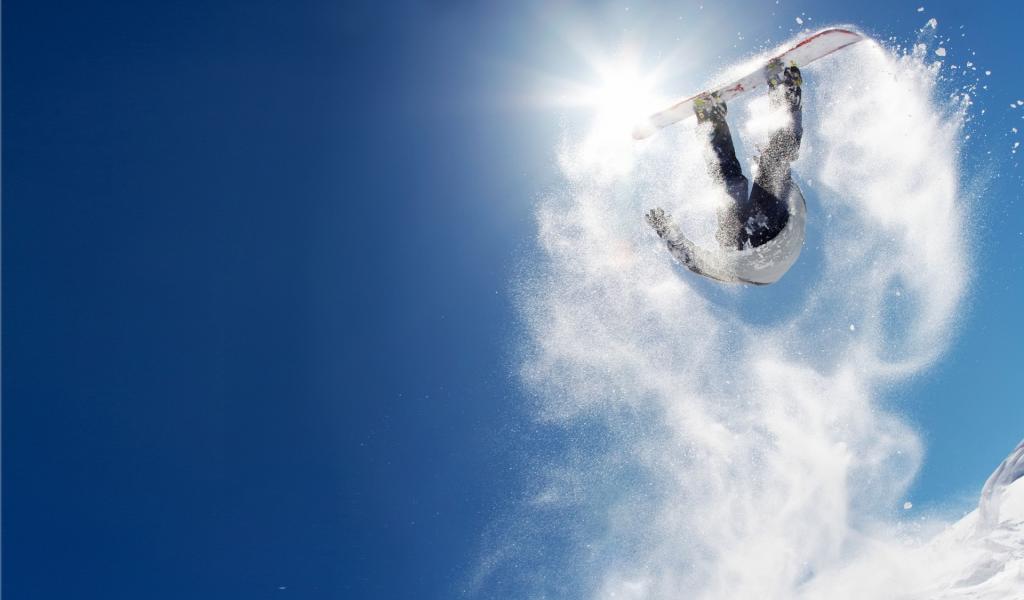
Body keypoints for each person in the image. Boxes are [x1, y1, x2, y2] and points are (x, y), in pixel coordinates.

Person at [645, 62, 806, 285]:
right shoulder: (735, 268)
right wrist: (668, 233)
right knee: (730, 181)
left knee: (738, 178)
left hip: (764, 243)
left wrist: (774, 171)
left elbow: (696, 262)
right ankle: (713, 120)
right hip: (758, 244)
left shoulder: (736, 269)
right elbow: (694, 262)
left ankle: (720, 118)